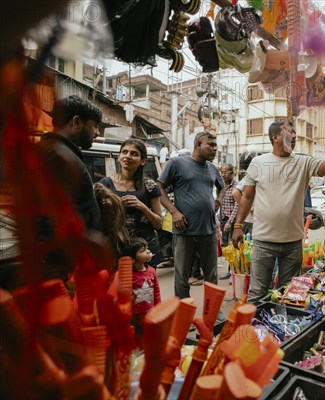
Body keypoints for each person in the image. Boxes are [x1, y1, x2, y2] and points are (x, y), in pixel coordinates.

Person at [232, 119, 325, 303]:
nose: (293, 135)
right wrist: (238, 225)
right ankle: (251, 331)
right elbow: (246, 197)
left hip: (292, 243)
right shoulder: (258, 163)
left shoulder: (303, 162)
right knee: (258, 293)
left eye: (294, 132)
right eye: (288, 131)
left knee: (289, 294)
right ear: (275, 137)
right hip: (263, 242)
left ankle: (282, 329)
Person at [157, 131, 225, 316]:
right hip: (183, 229)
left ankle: (212, 311)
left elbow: (222, 187)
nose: (214, 149)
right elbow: (159, 187)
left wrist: (218, 201)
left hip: (208, 228)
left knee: (211, 275)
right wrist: (174, 212)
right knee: (182, 275)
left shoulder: (212, 168)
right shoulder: (177, 163)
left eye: (215, 146)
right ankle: (183, 313)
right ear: (198, 144)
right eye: (210, 145)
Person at [36, 95, 103, 280]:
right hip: (62, 269)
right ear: (76, 122)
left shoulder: (58, 151)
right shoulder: (59, 156)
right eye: (95, 125)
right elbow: (51, 219)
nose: (97, 132)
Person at [99, 138, 164, 267]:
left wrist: (142, 207)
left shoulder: (150, 186)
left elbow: (158, 224)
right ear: (119, 157)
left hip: (144, 250)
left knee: (144, 286)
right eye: (124, 152)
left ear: (143, 161)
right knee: (119, 286)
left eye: (134, 154)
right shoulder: (105, 186)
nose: (128, 156)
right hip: (117, 248)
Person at [123, 237, 161, 343]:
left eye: (147, 248)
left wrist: (158, 308)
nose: (148, 251)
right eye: (143, 250)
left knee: (151, 334)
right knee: (138, 336)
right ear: (133, 259)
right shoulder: (128, 275)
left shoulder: (151, 271)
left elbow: (156, 291)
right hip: (135, 315)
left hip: (150, 311)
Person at [218, 163, 238, 280]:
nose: (223, 175)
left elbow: (237, 206)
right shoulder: (220, 186)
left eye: (226, 172)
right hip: (223, 220)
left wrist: (229, 223)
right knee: (226, 247)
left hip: (232, 221)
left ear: (232, 173)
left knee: (233, 246)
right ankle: (229, 270)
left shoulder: (236, 186)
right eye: (222, 172)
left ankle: (234, 272)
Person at [231, 150, 258, 236]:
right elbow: (235, 193)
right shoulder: (248, 177)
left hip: (255, 221)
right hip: (250, 221)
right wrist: (249, 207)